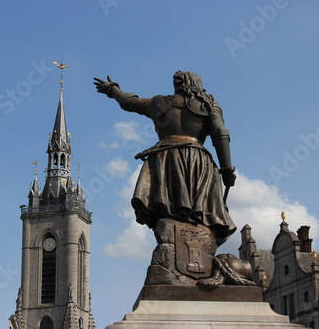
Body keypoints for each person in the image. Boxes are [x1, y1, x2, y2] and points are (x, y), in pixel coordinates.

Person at [94, 71, 252, 287]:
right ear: (197, 84)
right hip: (198, 163)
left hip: (166, 161)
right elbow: (220, 132)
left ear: (177, 85)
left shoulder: (160, 103)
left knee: (174, 213)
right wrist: (227, 168)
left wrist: (113, 90)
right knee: (200, 216)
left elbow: (130, 102)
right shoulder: (208, 103)